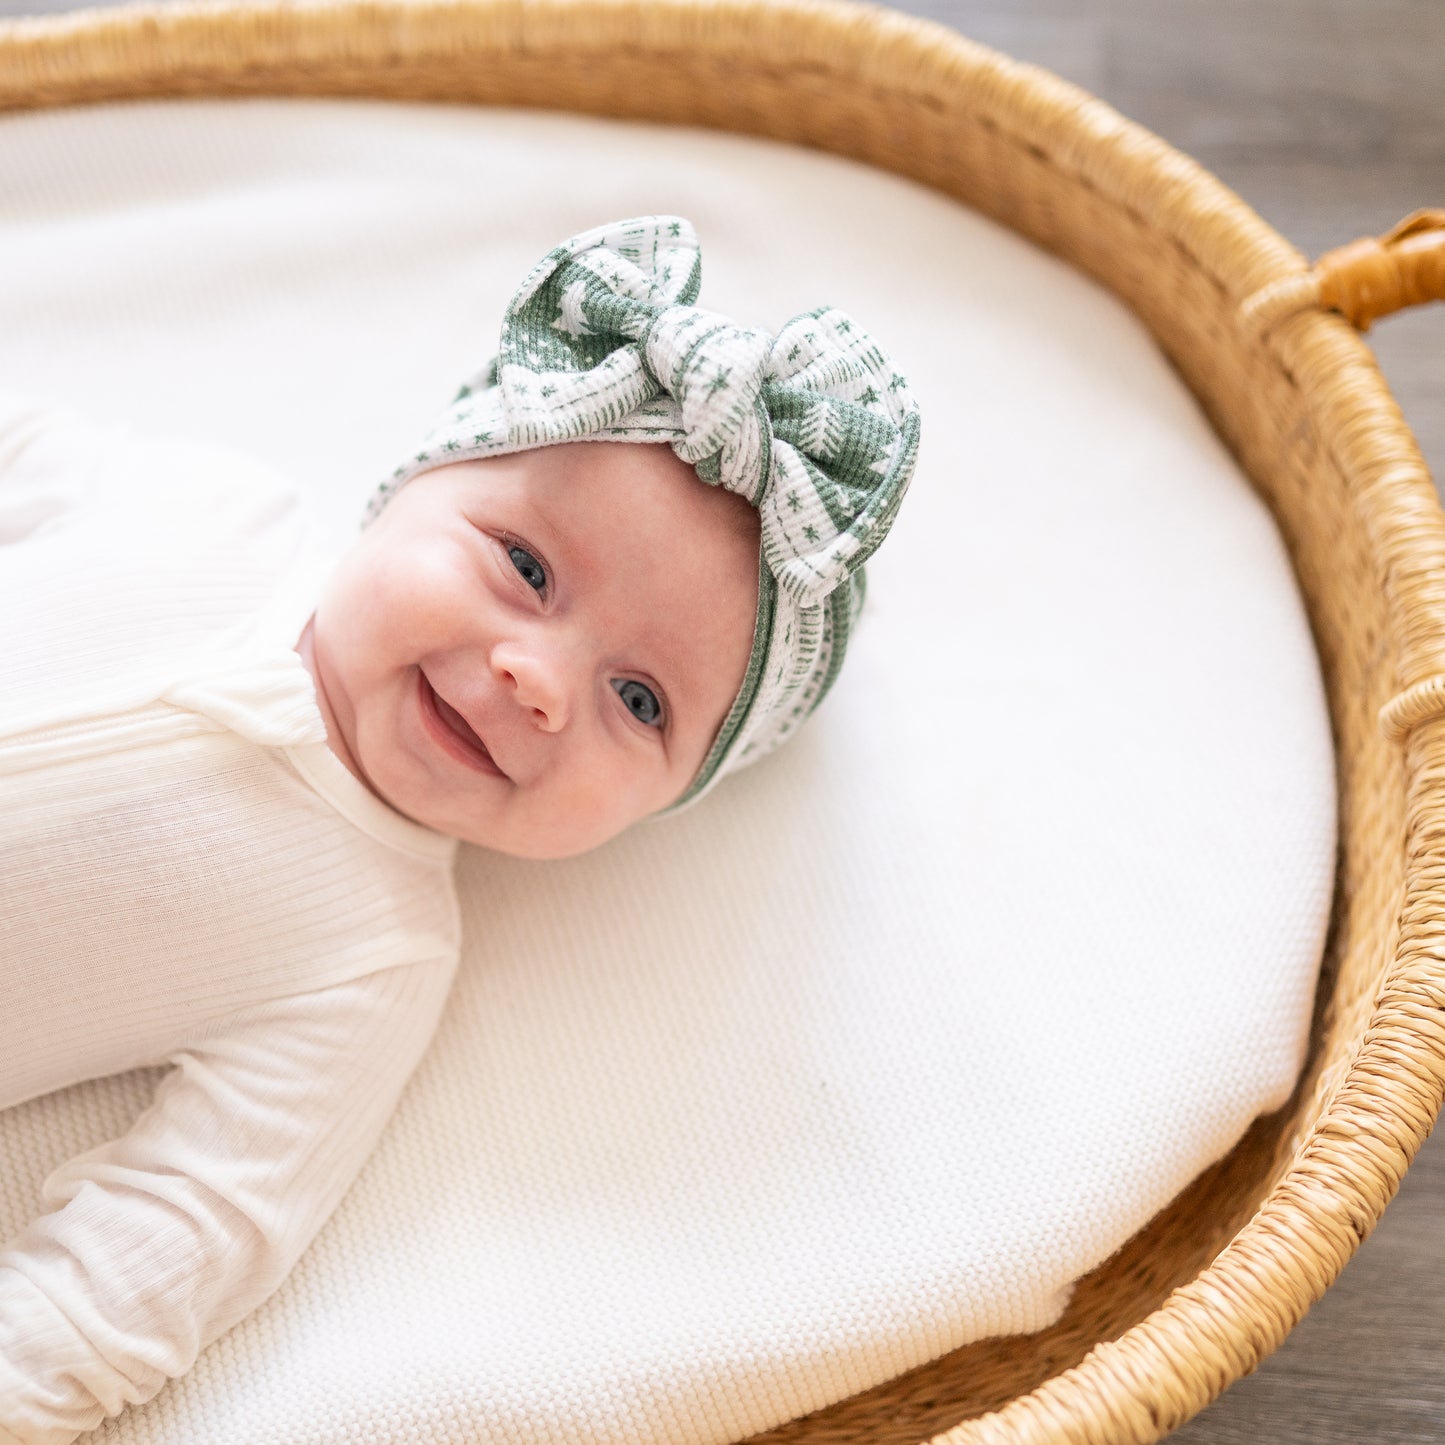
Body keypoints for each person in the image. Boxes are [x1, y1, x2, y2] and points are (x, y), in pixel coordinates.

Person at [0, 215, 920, 1441]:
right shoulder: (212, 512)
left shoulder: (368, 954)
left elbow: (182, 1228)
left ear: (662, 806)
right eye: (527, 569)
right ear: (413, 486)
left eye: (638, 702)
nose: (538, 678)